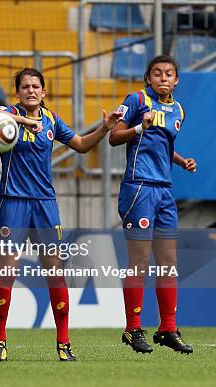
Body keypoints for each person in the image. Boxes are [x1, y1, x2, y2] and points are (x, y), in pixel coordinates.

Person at [0, 68, 122, 361]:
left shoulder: (52, 120)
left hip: (45, 205)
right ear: (17, 92)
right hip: (12, 202)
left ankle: (63, 342)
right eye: (25, 86)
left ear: (44, 92)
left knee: (55, 272)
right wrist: (20, 120)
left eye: (36, 86)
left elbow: (81, 146)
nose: (31, 90)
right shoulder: (7, 115)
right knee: (7, 271)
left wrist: (105, 128)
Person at [109, 55, 195, 355]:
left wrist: (180, 160)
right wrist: (138, 128)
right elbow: (114, 136)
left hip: (164, 192)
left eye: (169, 74)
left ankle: (167, 328)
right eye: (157, 74)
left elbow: (163, 145)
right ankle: (132, 329)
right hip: (139, 189)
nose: (163, 78)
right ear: (148, 78)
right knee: (140, 261)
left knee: (169, 263)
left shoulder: (178, 110)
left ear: (176, 80)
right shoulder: (136, 100)